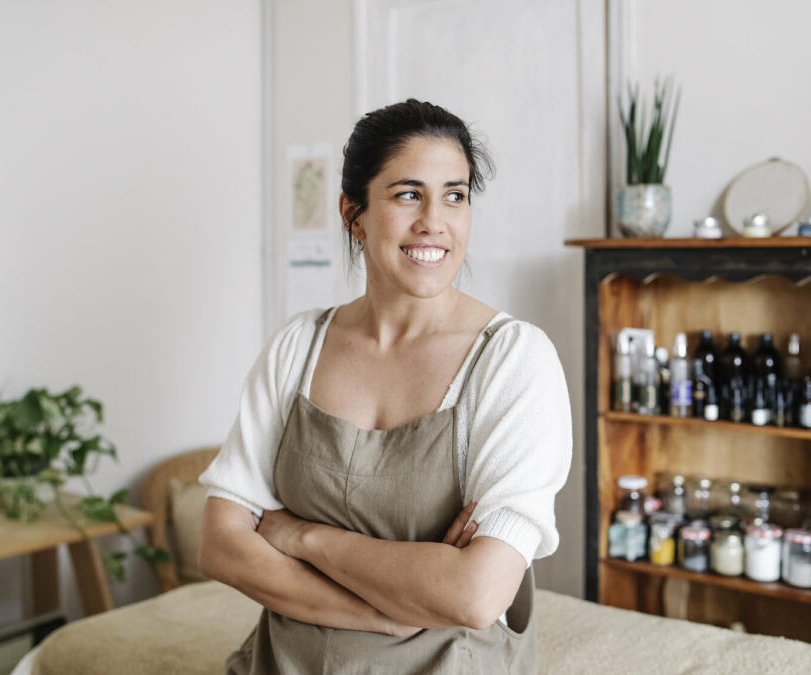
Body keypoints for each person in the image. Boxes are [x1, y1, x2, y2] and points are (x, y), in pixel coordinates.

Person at [197, 99, 572, 674]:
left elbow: (473, 595)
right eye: (407, 194)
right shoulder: (298, 346)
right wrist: (386, 610)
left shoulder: (514, 361)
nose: (434, 221)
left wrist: (301, 538)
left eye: (455, 194)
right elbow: (222, 545)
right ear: (354, 213)